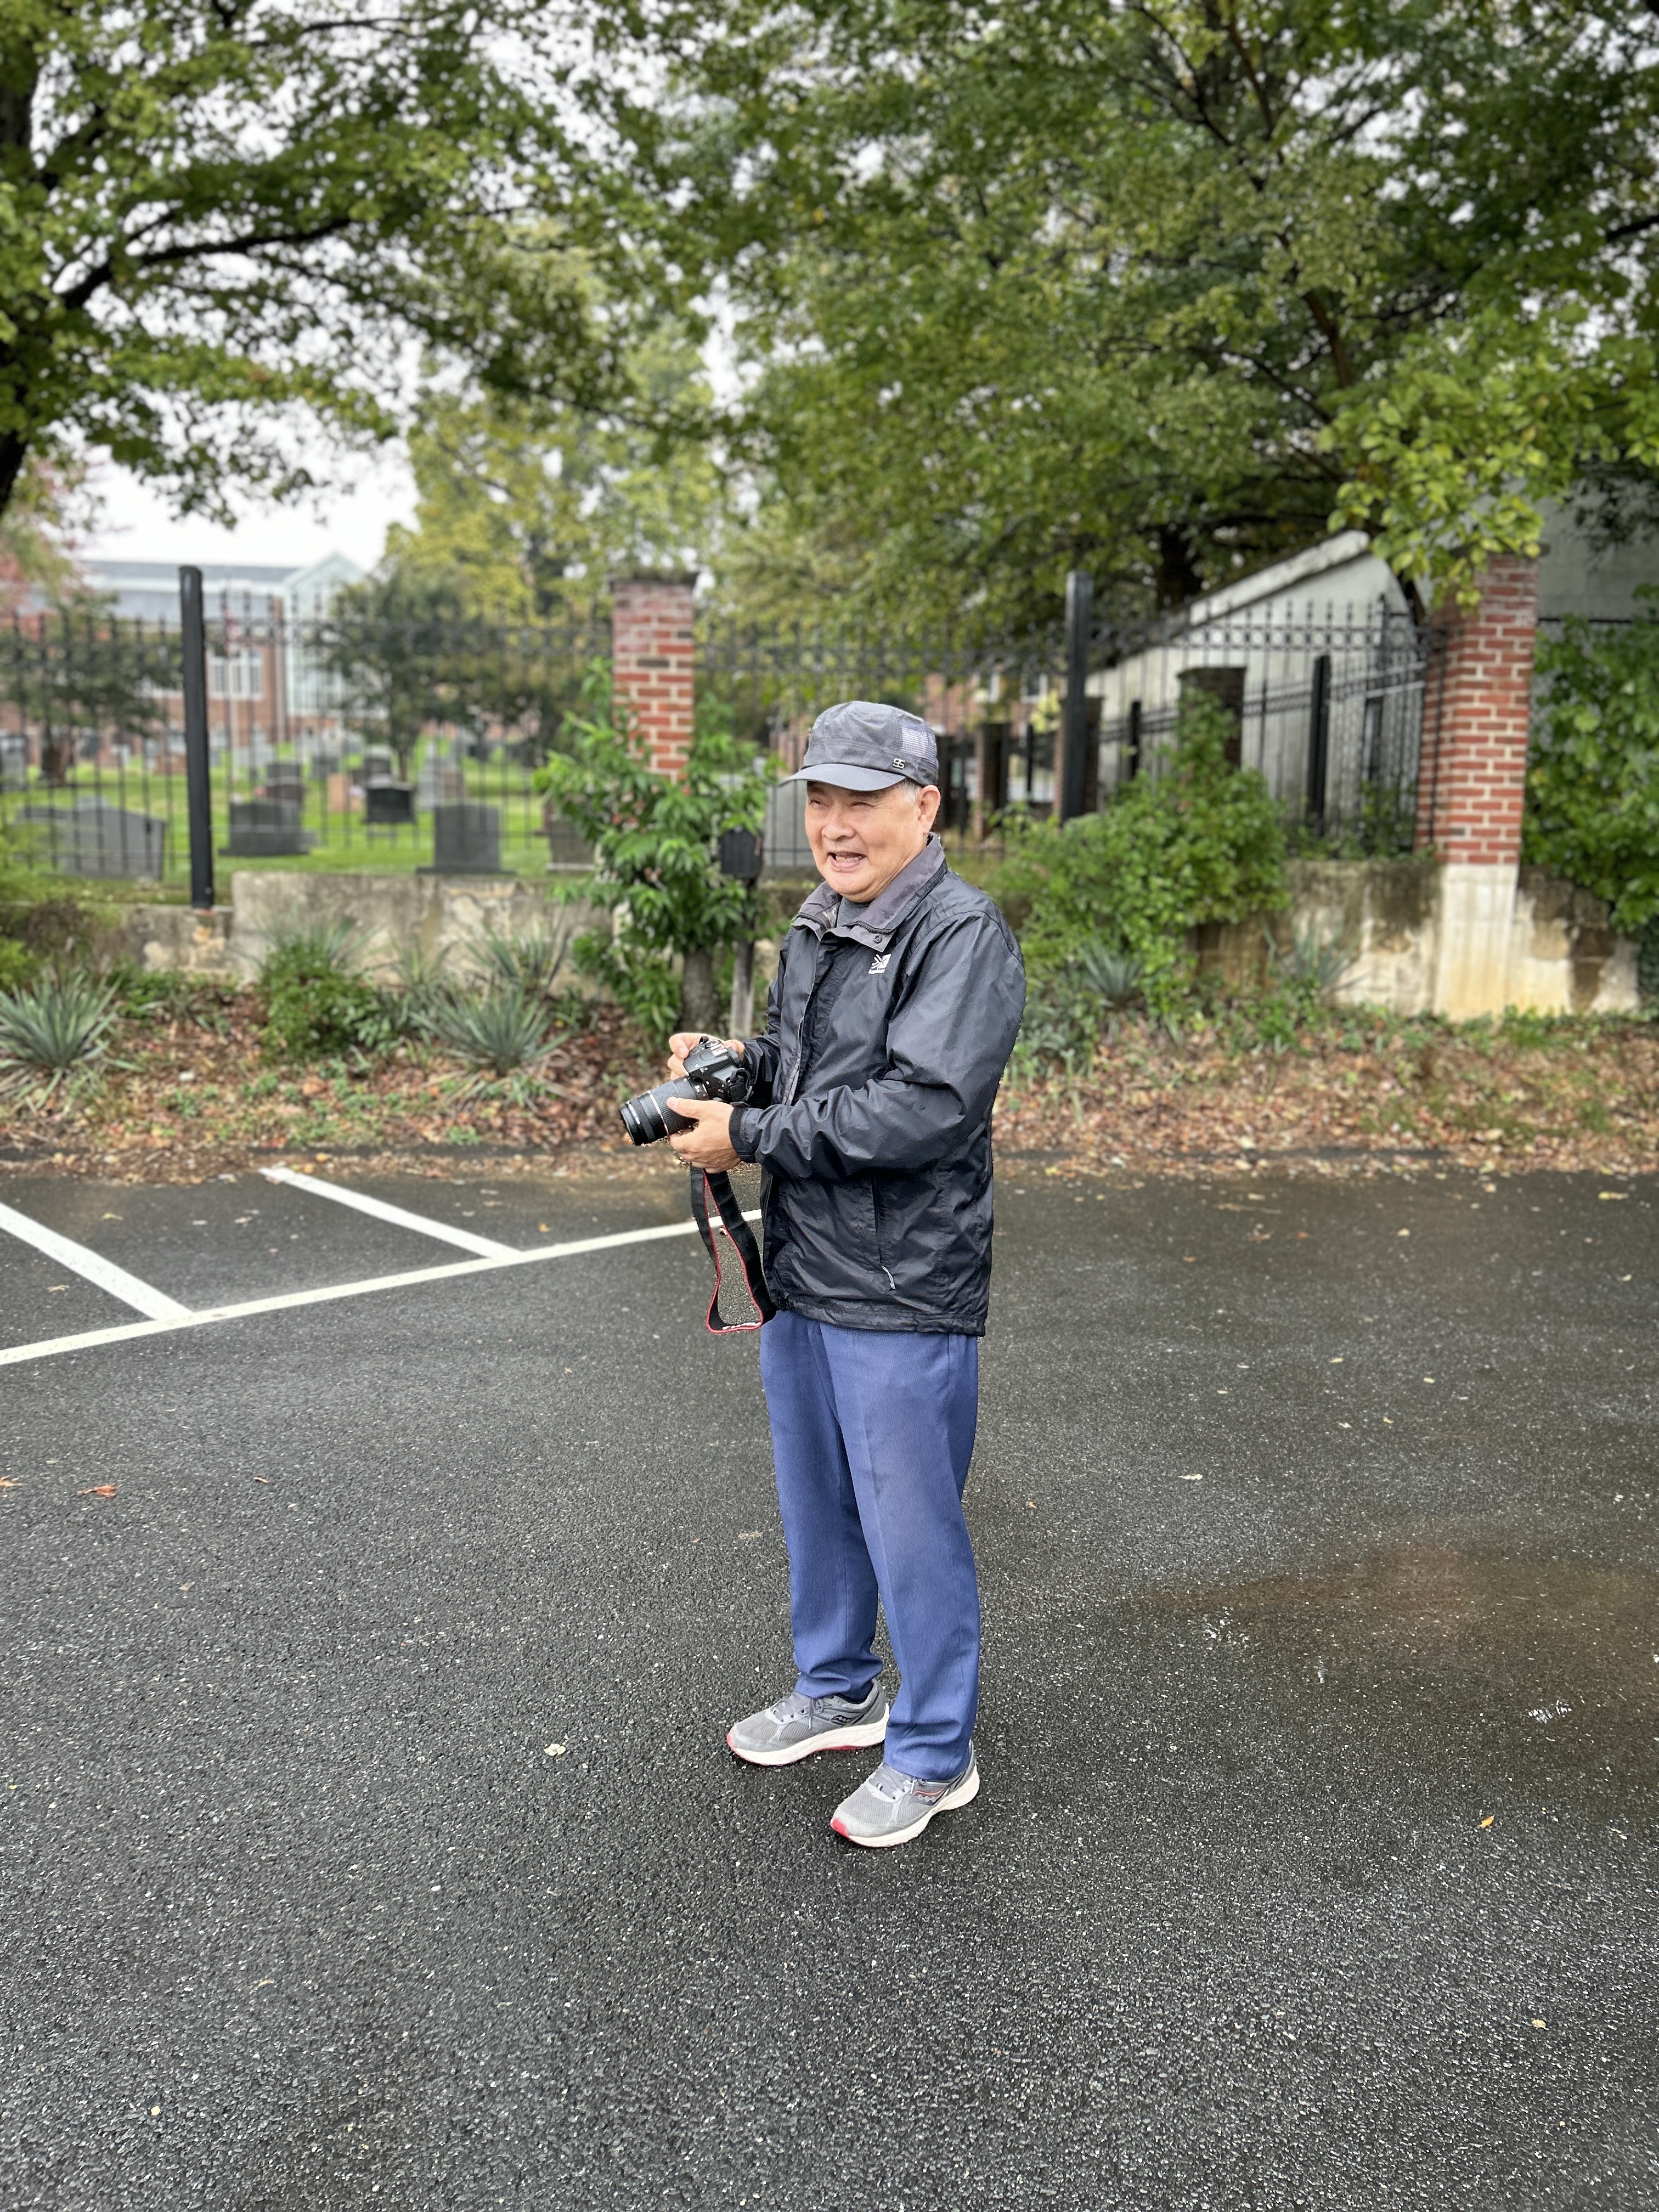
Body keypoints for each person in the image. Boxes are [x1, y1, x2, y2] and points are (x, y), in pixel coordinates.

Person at [665, 699, 1025, 1849]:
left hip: (905, 1285)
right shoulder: (821, 921)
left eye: (862, 802)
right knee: (818, 1502)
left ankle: (933, 1752)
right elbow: (806, 1063)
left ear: (925, 806)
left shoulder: (961, 935)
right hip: (808, 1268)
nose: (835, 825)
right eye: (820, 801)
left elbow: (923, 1108)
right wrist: (738, 1064)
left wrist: (748, 1135)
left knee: (911, 1527)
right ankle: (838, 1689)